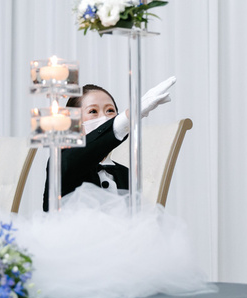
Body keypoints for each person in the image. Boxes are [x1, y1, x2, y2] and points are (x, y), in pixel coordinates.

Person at [43, 78, 175, 211]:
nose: (104, 118)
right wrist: (129, 116)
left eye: (110, 111)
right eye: (93, 111)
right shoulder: (62, 162)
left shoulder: (125, 174)